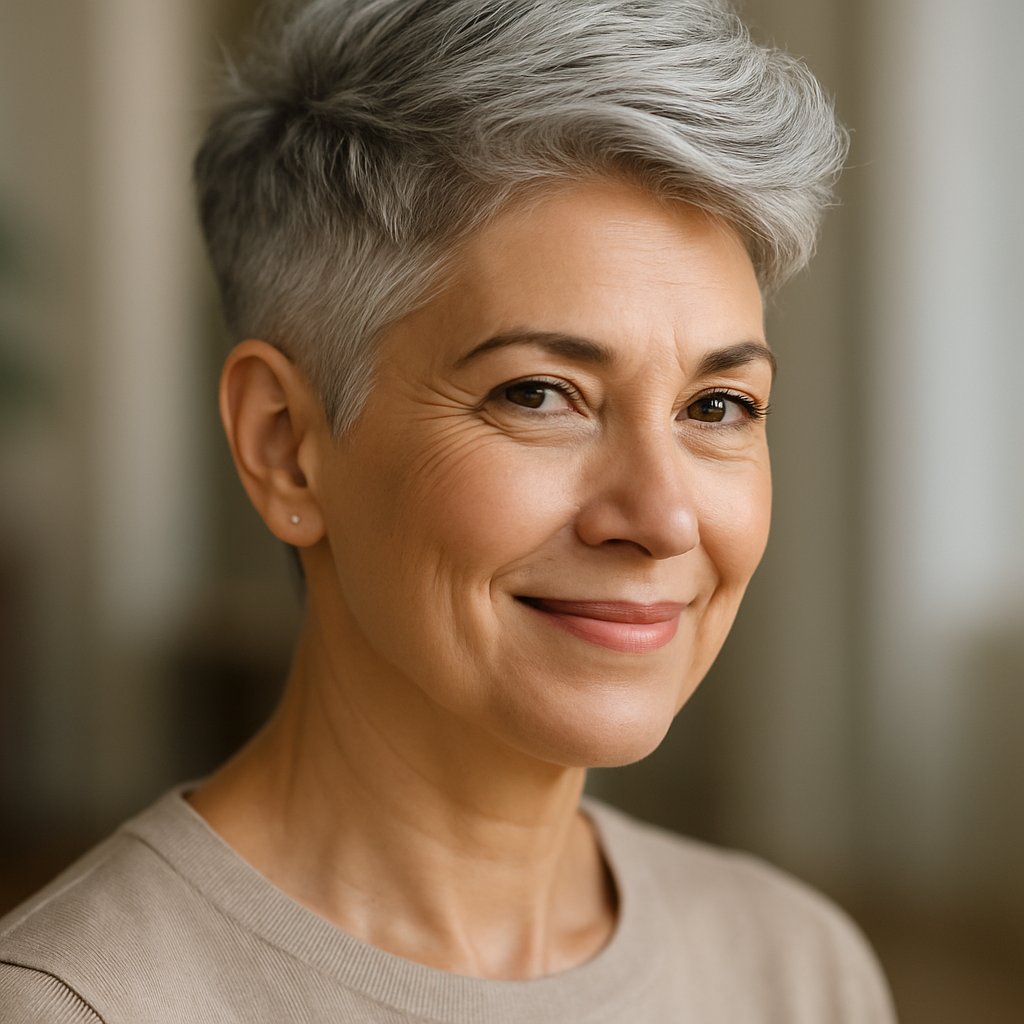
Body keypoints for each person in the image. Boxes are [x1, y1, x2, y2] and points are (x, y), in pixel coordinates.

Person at [0, 1, 897, 1020]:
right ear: (284, 447)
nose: (662, 519)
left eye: (717, 406)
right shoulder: (75, 1005)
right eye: (539, 393)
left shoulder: (799, 971)